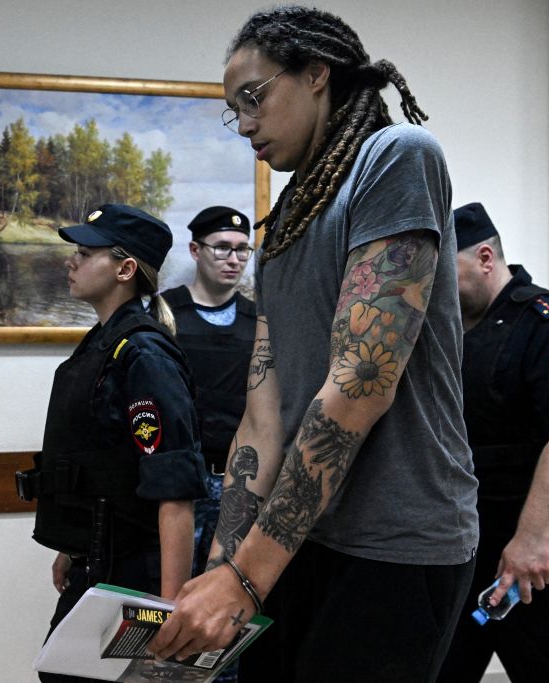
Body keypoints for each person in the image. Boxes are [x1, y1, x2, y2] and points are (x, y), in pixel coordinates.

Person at [147, 7, 479, 682]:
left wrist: (245, 577)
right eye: (231, 110)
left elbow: (361, 382)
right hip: (297, 539)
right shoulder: (285, 223)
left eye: (253, 97)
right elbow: (261, 414)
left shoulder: (396, 158)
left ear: (318, 74)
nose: (243, 124)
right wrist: (219, 572)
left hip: (397, 541)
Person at [15, 203, 208, 683]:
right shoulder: (104, 342)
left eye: (84, 252)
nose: (71, 261)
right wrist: (71, 546)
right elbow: (99, 463)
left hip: (132, 579)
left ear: (124, 269)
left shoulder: (143, 353)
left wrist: (170, 610)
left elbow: (173, 488)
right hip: (96, 565)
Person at [435, 202, 549, 683]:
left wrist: (531, 540)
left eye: (441, 274)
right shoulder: (451, 334)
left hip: (545, 552)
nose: (432, 290)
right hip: (472, 547)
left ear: (486, 258)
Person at [161, 205, 256, 578]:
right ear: (196, 251)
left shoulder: (259, 319)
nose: (233, 259)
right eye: (221, 248)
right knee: (167, 594)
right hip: (179, 484)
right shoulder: (164, 313)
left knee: (226, 593)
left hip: (238, 484)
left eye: (242, 250)